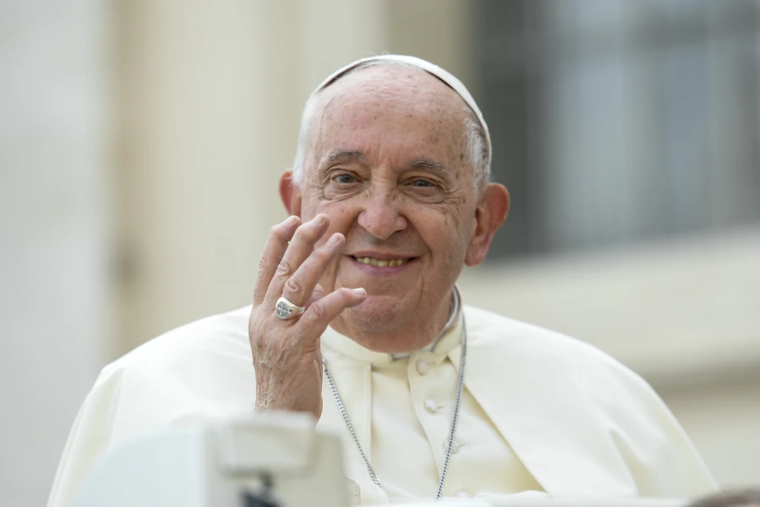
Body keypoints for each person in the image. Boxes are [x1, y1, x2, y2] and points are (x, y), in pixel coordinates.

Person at [47, 55, 718, 507]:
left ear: (482, 223)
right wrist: (277, 425)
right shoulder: (152, 389)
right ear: (295, 203)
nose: (378, 217)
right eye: (344, 178)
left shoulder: (606, 400)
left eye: (422, 184)